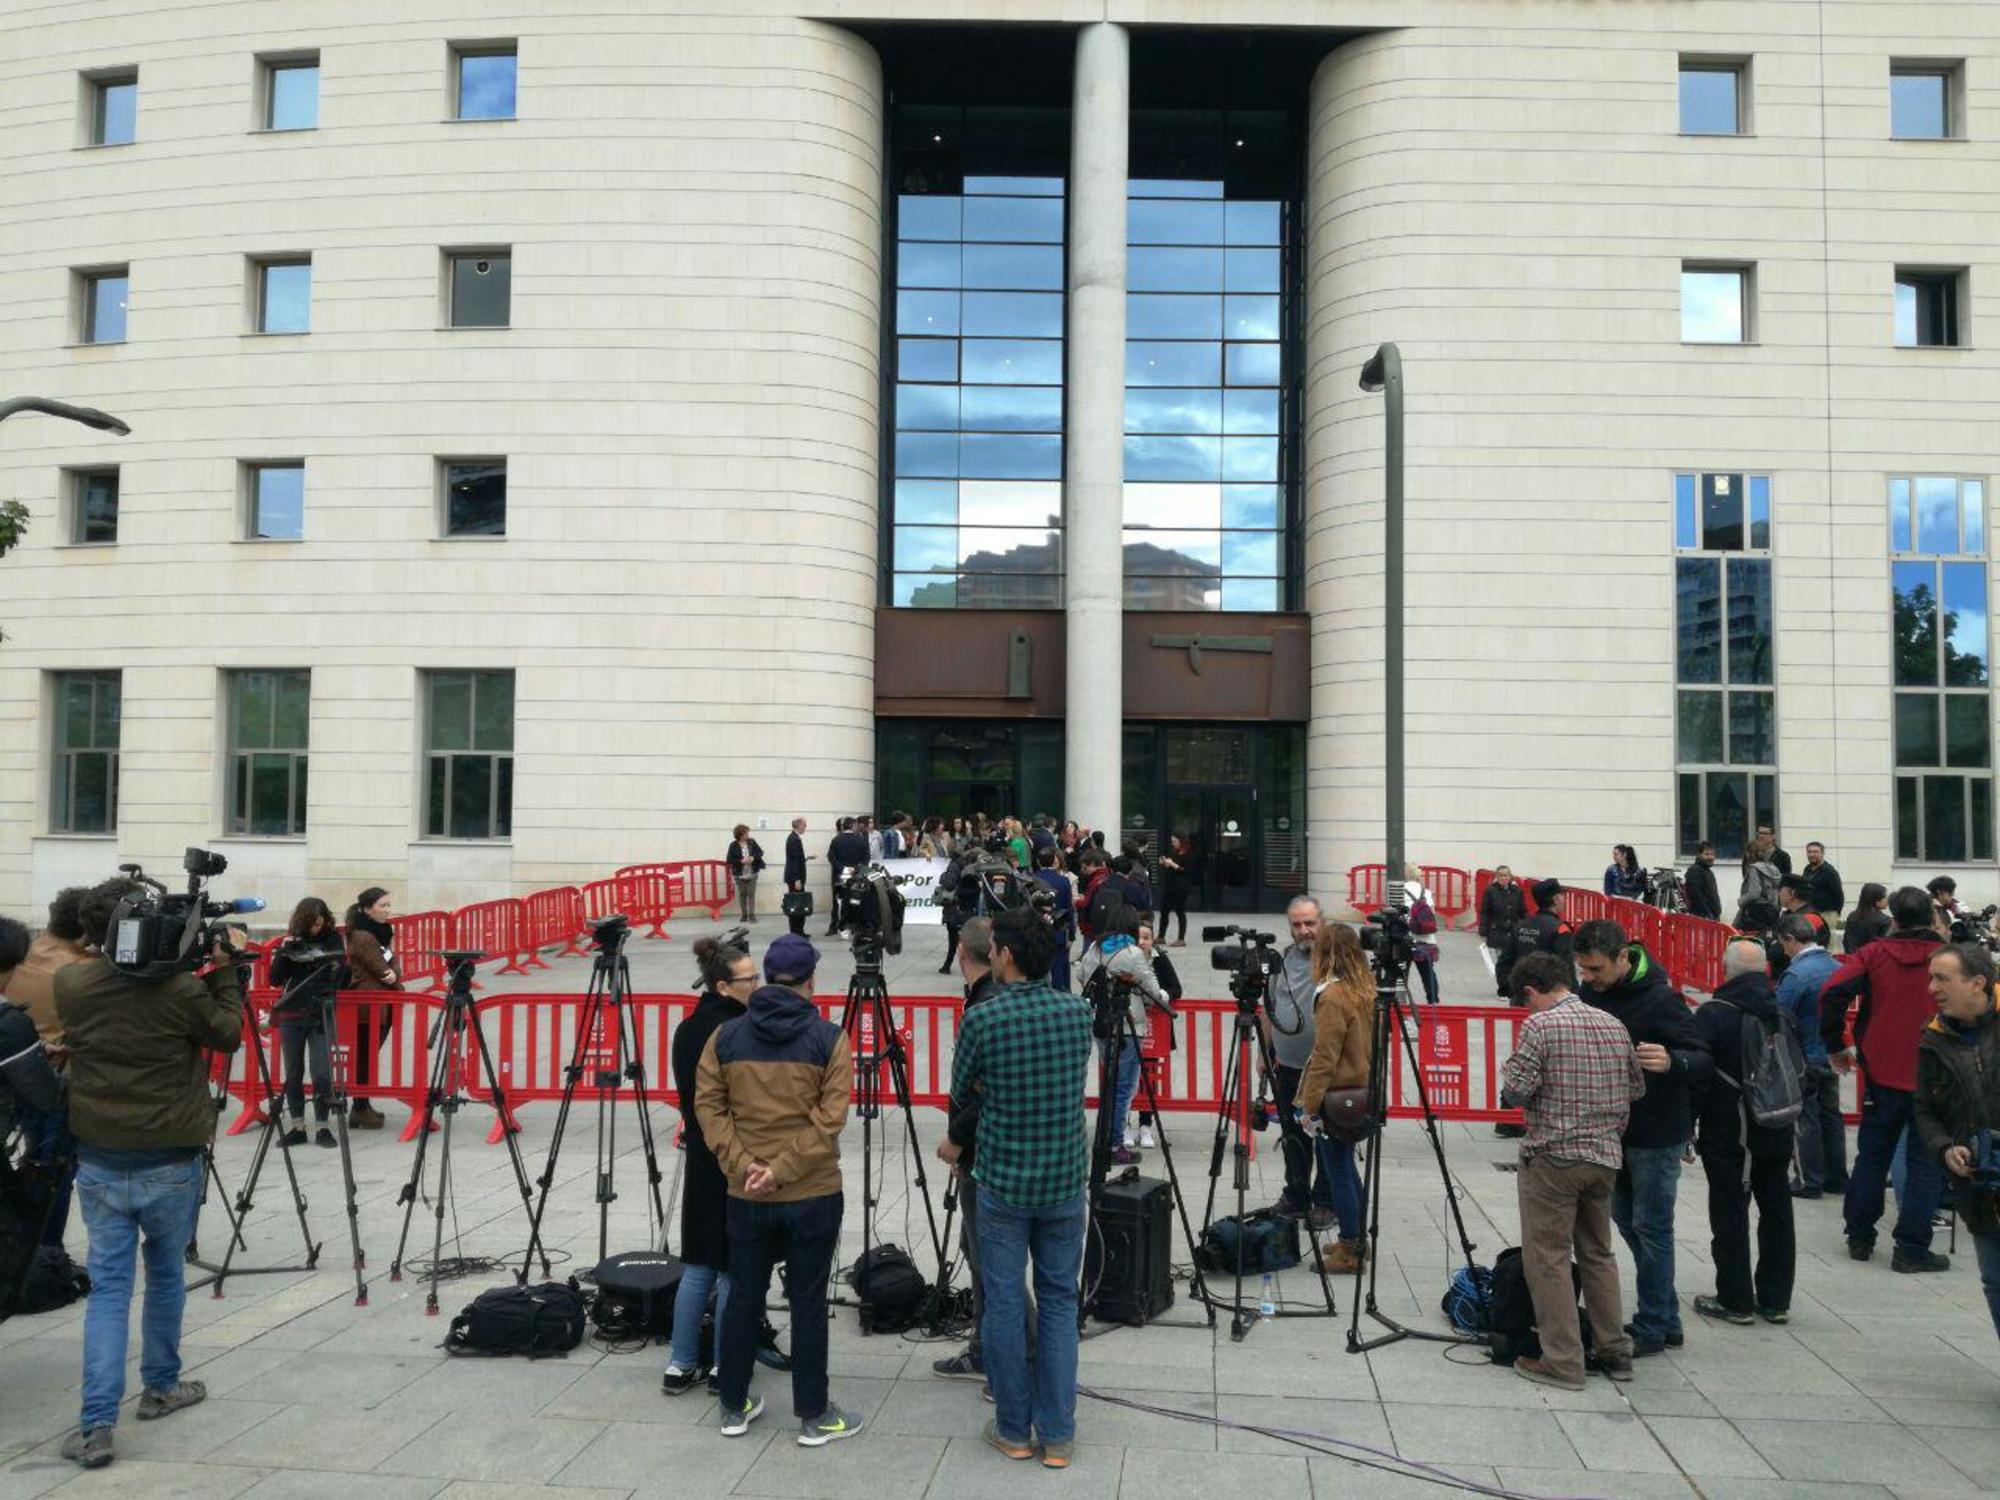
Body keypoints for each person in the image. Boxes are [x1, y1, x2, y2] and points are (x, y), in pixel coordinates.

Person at [54, 876, 245, 1469]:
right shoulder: (182, 990)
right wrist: (226, 971)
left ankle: (96, 1426)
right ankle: (161, 1387)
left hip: (102, 1156)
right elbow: (229, 1034)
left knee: (110, 1291)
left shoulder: (72, 983)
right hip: (171, 1156)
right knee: (163, 1276)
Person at [694, 932, 860, 1447]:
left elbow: (709, 1108)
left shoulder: (725, 1038)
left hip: (746, 1195)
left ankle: (733, 1404)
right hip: (810, 1192)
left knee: (743, 1297)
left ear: (766, 977)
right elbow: (829, 1121)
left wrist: (745, 1166)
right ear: (811, 979)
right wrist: (782, 1169)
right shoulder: (829, 1039)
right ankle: (813, 1414)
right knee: (808, 1303)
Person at [946, 908, 1092, 1470]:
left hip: (1004, 1181)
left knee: (1004, 1304)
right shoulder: (1075, 1012)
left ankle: (1013, 1430)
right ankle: (1057, 1434)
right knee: (1058, 1303)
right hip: (1062, 1179)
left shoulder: (984, 1019)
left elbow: (963, 1092)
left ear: (1004, 956)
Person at [1500, 951, 1644, 1390]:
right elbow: (1636, 1086)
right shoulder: (1612, 1023)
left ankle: (1563, 1360)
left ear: (1531, 990)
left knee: (1549, 1257)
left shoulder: (1540, 1026)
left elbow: (1516, 1093)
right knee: (1598, 1252)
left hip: (1553, 1156)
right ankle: (1615, 1350)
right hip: (1603, 1156)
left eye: (1525, 1001)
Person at [1572, 918, 1711, 1356]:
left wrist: (1672, 1059)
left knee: (1652, 1228)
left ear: (1622, 958)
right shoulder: (1591, 994)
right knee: (1626, 1220)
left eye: (1595, 969)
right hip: (1610, 1130)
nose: (1588, 979)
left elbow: (1702, 1056)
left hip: (1656, 1132)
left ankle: (1653, 1322)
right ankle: (1665, 1314)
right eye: (1583, 970)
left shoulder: (1660, 999)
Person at [1820, 885, 1950, 1272]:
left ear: (1893, 917)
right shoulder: (1945, 959)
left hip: (1882, 1069)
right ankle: (1912, 1246)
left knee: (1873, 1153)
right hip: (1935, 1071)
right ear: (1930, 917)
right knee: (1926, 1160)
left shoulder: (1875, 954)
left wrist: (1836, 1043)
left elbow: (1832, 992)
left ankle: (1860, 1234)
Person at [933, 918, 1029, 1384]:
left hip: (985, 1154)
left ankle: (1008, 1355)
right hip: (987, 1150)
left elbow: (984, 1091)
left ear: (961, 950)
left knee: (992, 1262)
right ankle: (988, 1347)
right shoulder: (987, 998)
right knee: (983, 1256)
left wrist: (957, 1140)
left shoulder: (985, 1007)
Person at [662, 936, 756, 1393]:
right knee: (733, 1266)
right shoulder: (737, 1031)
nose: (757, 985)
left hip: (699, 1152)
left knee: (698, 1262)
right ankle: (725, 1363)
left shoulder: (687, 1027)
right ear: (723, 986)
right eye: (750, 979)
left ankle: (679, 1364)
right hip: (733, 1154)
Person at [1690, 940, 1797, 1327]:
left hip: (1730, 1133)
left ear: (1725, 970)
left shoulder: (1714, 1014)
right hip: (1779, 1125)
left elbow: (1698, 1077)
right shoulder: (1779, 1012)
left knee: (1730, 1212)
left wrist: (1688, 1125)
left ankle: (1735, 1300)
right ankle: (1775, 1299)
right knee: (1777, 1211)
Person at [1914, 943, 2000, 1339]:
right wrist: (1945, 1147)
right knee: (1995, 1282)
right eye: (1932, 977)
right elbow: (1925, 1110)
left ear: (1977, 983)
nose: (1932, 988)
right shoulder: (1933, 1038)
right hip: (1981, 1184)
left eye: (1942, 978)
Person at [2, 886, 90, 1247]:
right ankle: (45, 1253)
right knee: (53, 1170)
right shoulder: (84, 970)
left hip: (21, 1073)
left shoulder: (29, 949)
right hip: (45, 1077)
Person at [1296, 923, 1372, 1274]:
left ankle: (1351, 1248)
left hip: (1336, 1092)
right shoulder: (1365, 988)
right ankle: (1354, 1238)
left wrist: (1309, 1105)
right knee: (1346, 1166)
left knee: (1337, 1168)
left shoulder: (1332, 996)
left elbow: (1325, 1057)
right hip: (1360, 1089)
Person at [1264, 896, 1337, 1231]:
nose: (1304, 930)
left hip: (1325, 1069)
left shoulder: (1336, 959)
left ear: (1322, 921)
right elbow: (1270, 1006)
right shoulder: (1282, 960)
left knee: (1324, 1135)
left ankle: (1325, 1200)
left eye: (1310, 923)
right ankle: (1296, 1194)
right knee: (1294, 1135)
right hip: (1288, 1065)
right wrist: (1264, 1053)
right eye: (1297, 924)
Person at [1077, 904, 1167, 1165]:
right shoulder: (1132, 953)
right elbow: (1153, 991)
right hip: (1128, 1027)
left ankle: (1105, 1136)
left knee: (1109, 1083)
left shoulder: (1095, 948)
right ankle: (1115, 1143)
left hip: (1101, 1024)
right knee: (1124, 1088)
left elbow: (1081, 975)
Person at [1773, 916, 1845, 1199]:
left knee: (1805, 1118)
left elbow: (1780, 1013)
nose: (1783, 950)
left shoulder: (1797, 974)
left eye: (1783, 944)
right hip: (1830, 1051)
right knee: (1832, 1116)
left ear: (1791, 939)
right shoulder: (1836, 966)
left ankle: (1809, 1179)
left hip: (1804, 1054)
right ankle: (1836, 1176)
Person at [266, 898, 343, 1148]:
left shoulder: (332, 939)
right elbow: (276, 979)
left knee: (322, 1071)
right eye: (311, 925)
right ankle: (297, 1126)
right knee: (293, 1071)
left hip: (321, 1011)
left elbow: (342, 976)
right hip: (292, 1013)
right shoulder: (293, 939)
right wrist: (283, 952)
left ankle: (322, 1126)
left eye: (320, 924)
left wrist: (331, 964)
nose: (315, 929)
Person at [342, 887, 401, 1130]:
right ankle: (359, 1107)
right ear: (367, 909)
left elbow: (394, 968)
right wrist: (393, 973)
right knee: (364, 1058)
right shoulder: (363, 937)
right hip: (367, 1006)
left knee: (368, 1057)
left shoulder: (380, 933)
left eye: (388, 905)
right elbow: (383, 968)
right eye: (382, 906)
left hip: (380, 1003)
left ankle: (363, 1105)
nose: (387, 910)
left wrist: (394, 973)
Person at [1131, 921, 1181, 1149]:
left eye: (1146, 937)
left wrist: (1163, 994)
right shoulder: (1125, 957)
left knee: (1148, 1077)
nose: (1142, 942)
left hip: (1153, 1029)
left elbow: (1176, 987)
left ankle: (1145, 1124)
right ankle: (1123, 1123)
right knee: (1126, 1076)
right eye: (1138, 937)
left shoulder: (1159, 959)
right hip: (1128, 1026)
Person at [1478, 866, 1528, 998]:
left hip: (1514, 931)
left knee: (1514, 961)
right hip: (1497, 931)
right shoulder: (1490, 891)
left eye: (1505, 875)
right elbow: (1485, 912)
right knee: (1502, 962)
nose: (1502, 878)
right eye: (1500, 875)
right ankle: (1503, 989)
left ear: (1510, 876)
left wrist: (1527, 926)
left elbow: (1523, 911)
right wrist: (1483, 931)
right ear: (1496, 877)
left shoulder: (1517, 891)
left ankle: (1513, 987)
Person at [1032, 847, 1076, 993]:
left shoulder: (1031, 880)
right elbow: (1069, 908)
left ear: (1038, 862)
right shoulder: (1063, 881)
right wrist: (1071, 933)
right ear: (1053, 861)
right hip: (1059, 930)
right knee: (1058, 971)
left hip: (1036, 930)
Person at [825, 818, 867, 937]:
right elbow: (866, 857)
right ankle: (855, 926)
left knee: (837, 901)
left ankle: (835, 925)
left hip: (839, 875)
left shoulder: (836, 839)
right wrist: (856, 868)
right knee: (856, 899)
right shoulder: (860, 839)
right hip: (856, 875)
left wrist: (843, 868)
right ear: (853, 826)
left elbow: (831, 857)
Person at [1156, 833, 1196, 947]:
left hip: (1181, 888)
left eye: (1175, 841)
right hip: (1170, 886)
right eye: (1172, 841)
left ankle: (1181, 938)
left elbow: (1185, 871)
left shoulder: (1189, 854)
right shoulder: (1174, 852)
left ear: (1181, 841)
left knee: (1180, 912)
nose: (1173, 843)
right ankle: (1161, 936)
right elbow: (1171, 866)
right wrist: (1164, 862)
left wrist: (1172, 864)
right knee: (1164, 911)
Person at [1775, 876, 1830, 949]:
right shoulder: (1789, 914)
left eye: (1780, 890)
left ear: (1792, 893)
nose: (1779, 894)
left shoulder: (1810, 919)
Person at [726, 825, 766, 923]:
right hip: (739, 874)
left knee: (751, 894)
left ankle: (752, 915)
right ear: (739, 835)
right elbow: (729, 860)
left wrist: (753, 858)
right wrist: (741, 861)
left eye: (748, 833)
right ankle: (744, 914)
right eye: (745, 833)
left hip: (752, 873)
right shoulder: (733, 845)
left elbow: (760, 852)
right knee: (743, 894)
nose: (748, 834)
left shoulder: (752, 842)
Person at [1800, 842, 1843, 918]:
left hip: (1826, 914)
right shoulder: (1807, 869)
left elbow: (1838, 894)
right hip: (1809, 913)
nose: (1812, 855)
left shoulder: (1829, 872)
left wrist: (1836, 913)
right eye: (1809, 852)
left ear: (1822, 854)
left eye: (1815, 852)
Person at [1845, 883, 1891, 953]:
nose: (1887, 900)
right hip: (1874, 960)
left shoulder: (1852, 917)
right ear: (1876, 900)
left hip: (1854, 958)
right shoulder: (1885, 921)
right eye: (1884, 897)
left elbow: (1848, 942)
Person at [783, 817, 810, 936]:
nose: (805, 827)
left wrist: (806, 858)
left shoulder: (793, 838)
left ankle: (799, 931)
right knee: (796, 905)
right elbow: (793, 861)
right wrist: (797, 879)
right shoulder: (794, 839)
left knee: (798, 905)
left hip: (795, 877)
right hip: (795, 879)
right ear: (798, 825)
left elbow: (796, 859)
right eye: (804, 825)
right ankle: (796, 932)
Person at [1684, 843, 1723, 922]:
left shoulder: (1707, 871)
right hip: (1702, 918)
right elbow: (1696, 895)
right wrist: (1708, 914)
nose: (1710, 857)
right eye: (1707, 854)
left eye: (1712, 854)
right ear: (1699, 855)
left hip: (1711, 916)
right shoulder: (1695, 871)